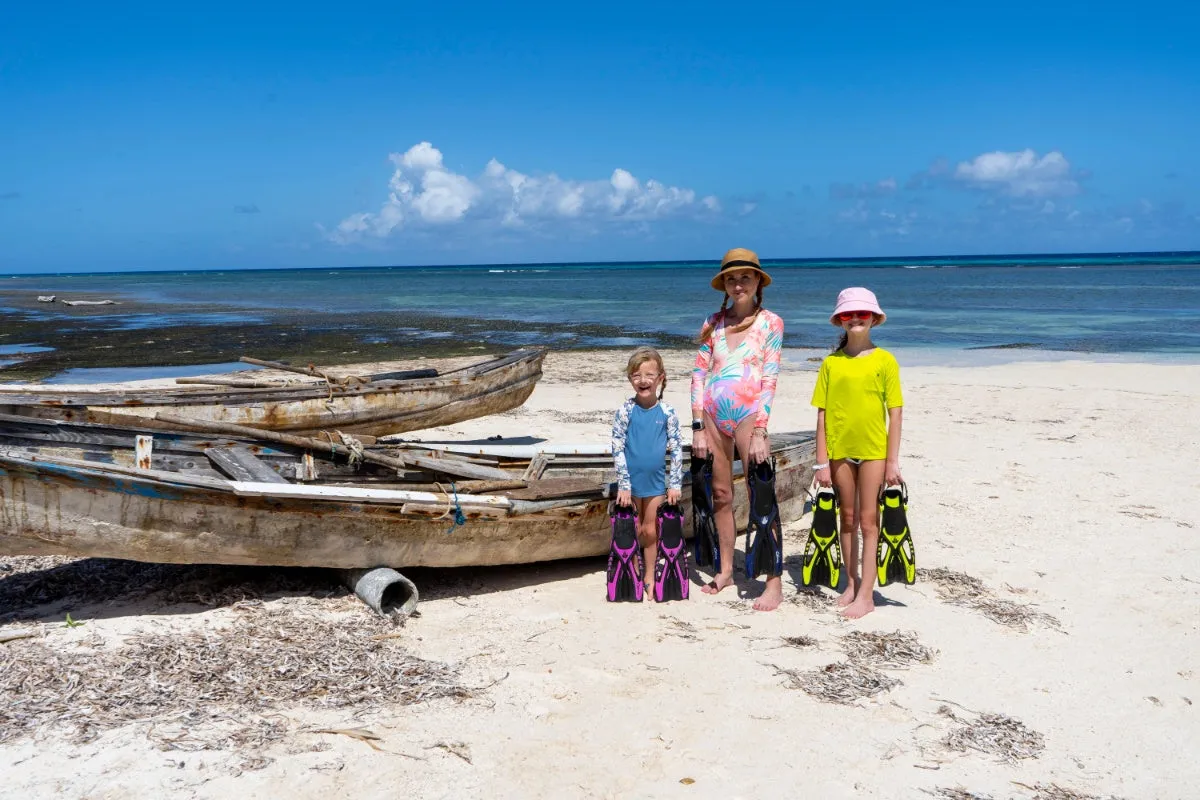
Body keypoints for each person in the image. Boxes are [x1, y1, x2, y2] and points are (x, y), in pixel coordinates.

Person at [690, 248, 785, 611]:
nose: (738, 283)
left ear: (758, 281)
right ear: (724, 285)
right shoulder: (713, 322)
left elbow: (770, 377)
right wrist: (697, 425)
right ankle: (726, 569)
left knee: (762, 494)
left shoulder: (771, 323)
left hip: (749, 416)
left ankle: (772, 582)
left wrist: (761, 429)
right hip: (713, 416)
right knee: (721, 495)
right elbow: (699, 373)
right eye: (731, 278)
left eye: (745, 276)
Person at [810, 287, 904, 619]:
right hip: (839, 452)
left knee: (869, 521)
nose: (855, 319)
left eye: (862, 314)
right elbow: (821, 415)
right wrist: (820, 462)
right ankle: (850, 583)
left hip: (875, 452)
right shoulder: (831, 363)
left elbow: (895, 413)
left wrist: (892, 461)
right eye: (848, 315)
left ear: (874, 319)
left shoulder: (885, 360)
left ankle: (867, 593)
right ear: (840, 321)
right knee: (846, 519)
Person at [612, 347, 683, 594]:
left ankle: (650, 574)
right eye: (636, 375)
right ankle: (633, 572)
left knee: (651, 530)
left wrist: (675, 483)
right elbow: (617, 447)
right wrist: (623, 483)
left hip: (655, 484)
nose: (643, 381)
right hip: (629, 484)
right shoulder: (624, 411)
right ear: (630, 379)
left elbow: (676, 451)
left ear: (661, 378)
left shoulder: (667, 413)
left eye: (649, 375)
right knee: (632, 529)